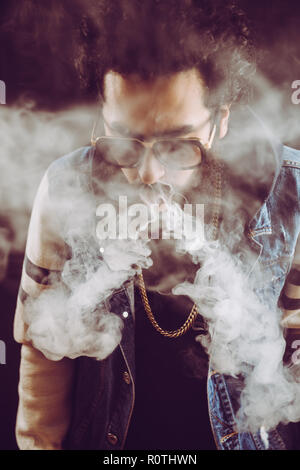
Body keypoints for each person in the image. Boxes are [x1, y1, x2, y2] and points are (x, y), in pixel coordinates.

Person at [13, 0, 300, 450]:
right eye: (124, 140)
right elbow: (44, 354)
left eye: (176, 145)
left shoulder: (291, 194)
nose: (148, 174)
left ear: (221, 119)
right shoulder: (67, 186)